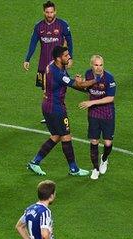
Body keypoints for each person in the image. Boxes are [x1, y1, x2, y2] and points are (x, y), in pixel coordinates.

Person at [27, 46, 97, 177]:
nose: (69, 57)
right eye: (66, 55)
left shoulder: (55, 66)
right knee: (66, 136)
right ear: (58, 58)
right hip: (56, 108)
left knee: (56, 135)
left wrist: (84, 87)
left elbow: (70, 83)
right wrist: (96, 81)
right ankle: (74, 169)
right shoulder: (57, 72)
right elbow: (75, 84)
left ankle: (35, 162)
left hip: (48, 105)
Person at [23, 1, 74, 123]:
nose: (49, 14)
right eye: (47, 12)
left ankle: (60, 112)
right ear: (44, 12)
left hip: (58, 65)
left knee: (60, 89)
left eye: (51, 12)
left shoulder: (62, 25)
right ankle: (49, 114)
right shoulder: (39, 27)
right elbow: (33, 44)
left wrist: (70, 57)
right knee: (46, 91)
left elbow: (70, 41)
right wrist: (27, 59)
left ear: (55, 11)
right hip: (43, 65)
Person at [78, 55, 116, 180]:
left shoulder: (109, 78)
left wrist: (91, 102)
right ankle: (95, 168)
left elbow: (110, 98)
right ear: (91, 65)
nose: (98, 68)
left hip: (107, 113)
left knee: (108, 142)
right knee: (94, 141)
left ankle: (104, 159)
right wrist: (80, 83)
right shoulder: (88, 74)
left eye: (100, 65)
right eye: (96, 65)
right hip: (93, 113)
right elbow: (87, 89)